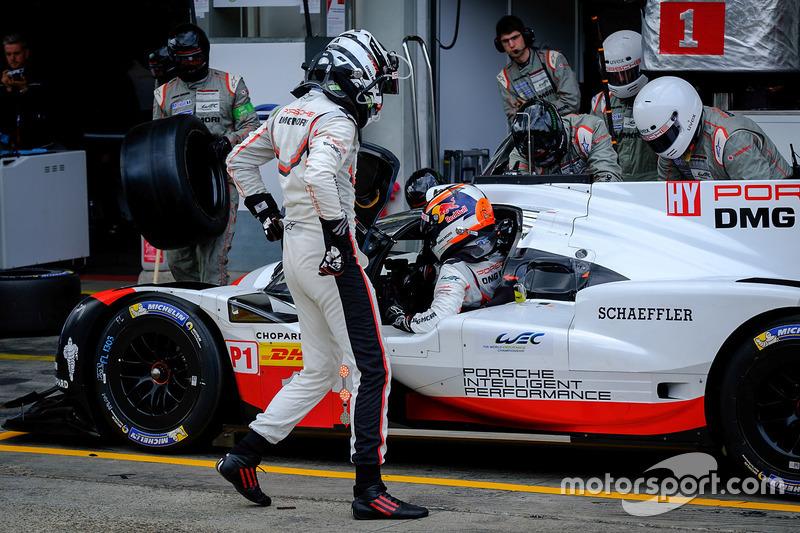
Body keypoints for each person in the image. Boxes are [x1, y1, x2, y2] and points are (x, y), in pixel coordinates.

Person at [218, 29, 428, 520]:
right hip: (330, 255)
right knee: (371, 369)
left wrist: (267, 213)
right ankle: (368, 490)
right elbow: (316, 176)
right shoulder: (337, 120)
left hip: (296, 249)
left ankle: (245, 453)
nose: (377, 93)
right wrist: (337, 239)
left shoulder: (291, 112)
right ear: (354, 79)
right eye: (375, 81)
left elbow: (238, 160)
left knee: (317, 370)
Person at [152, 23, 261, 285]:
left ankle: (214, 321)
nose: (191, 63)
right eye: (185, 59)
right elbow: (153, 142)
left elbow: (253, 127)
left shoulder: (232, 85)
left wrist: (227, 141)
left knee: (212, 265)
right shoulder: (163, 94)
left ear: (207, 54)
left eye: (197, 57)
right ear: (174, 59)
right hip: (179, 189)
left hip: (219, 184)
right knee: (179, 262)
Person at [386, 183, 505, 333]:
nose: (432, 238)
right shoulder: (503, 246)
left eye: (435, 230)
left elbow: (437, 320)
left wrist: (403, 320)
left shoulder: (454, 270)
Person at [633, 76, 793, 180]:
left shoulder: (731, 139)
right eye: (657, 141)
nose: (663, 145)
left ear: (685, 118)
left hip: (777, 202)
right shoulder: (668, 150)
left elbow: (759, 196)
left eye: (666, 137)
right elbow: (666, 194)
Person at [589, 30, 658, 181]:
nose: (621, 79)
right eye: (615, 74)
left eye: (627, 73)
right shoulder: (600, 103)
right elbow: (595, 151)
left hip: (653, 182)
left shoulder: (660, 96)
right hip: (616, 182)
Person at [495, 14, 580, 127]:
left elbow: (572, 102)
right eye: (506, 41)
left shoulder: (553, 59)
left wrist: (536, 111)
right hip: (535, 140)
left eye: (515, 37)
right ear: (500, 45)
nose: (511, 44)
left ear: (526, 36)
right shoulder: (504, 78)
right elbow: (514, 123)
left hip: (567, 130)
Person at [508, 99, 622, 182]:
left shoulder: (588, 130)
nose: (546, 163)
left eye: (548, 158)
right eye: (540, 161)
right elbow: (518, 192)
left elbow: (609, 179)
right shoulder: (520, 153)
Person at [0, 33, 54, 150]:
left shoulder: (39, 77)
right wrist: (7, 90)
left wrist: (24, 90)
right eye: (8, 54)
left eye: (16, 53)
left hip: (38, 143)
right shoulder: (3, 79)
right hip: (9, 144)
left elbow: (44, 108)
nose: (12, 58)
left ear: (26, 53)